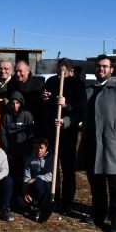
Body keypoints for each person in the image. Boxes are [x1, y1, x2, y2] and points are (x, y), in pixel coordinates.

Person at [78, 55, 116, 232]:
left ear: (111, 70)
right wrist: (64, 120)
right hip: (91, 143)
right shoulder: (88, 90)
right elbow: (78, 114)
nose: (101, 69)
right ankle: (99, 213)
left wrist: (115, 129)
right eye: (98, 66)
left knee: (115, 183)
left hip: (111, 144)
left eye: (105, 66)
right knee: (95, 182)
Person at [41, 58, 84, 214]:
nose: (60, 73)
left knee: (68, 169)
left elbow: (78, 111)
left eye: (63, 71)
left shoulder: (77, 84)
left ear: (70, 70)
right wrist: (45, 98)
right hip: (51, 131)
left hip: (67, 133)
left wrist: (66, 105)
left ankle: (67, 202)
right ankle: (54, 196)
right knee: (52, 167)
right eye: (59, 70)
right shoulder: (52, 81)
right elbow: (45, 103)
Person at [0, 90, 35, 186]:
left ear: (21, 103)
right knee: (12, 175)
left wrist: (27, 152)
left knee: (23, 175)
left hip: (24, 152)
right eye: (13, 103)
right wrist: (6, 151)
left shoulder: (27, 115)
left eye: (17, 103)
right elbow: (3, 134)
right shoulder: (6, 117)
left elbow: (31, 135)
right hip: (11, 152)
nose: (15, 106)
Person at [20, 138, 53, 220]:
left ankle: (39, 206)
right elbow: (26, 175)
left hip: (45, 186)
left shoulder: (51, 158)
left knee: (38, 183)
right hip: (31, 185)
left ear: (46, 147)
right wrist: (26, 192)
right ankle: (32, 206)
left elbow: (50, 175)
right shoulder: (30, 158)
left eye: (41, 148)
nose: (39, 150)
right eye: (36, 148)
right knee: (19, 202)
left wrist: (35, 179)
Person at [12, 60, 44, 134]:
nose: (17, 74)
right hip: (15, 122)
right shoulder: (12, 84)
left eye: (20, 71)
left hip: (32, 121)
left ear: (28, 71)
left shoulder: (38, 85)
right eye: (16, 71)